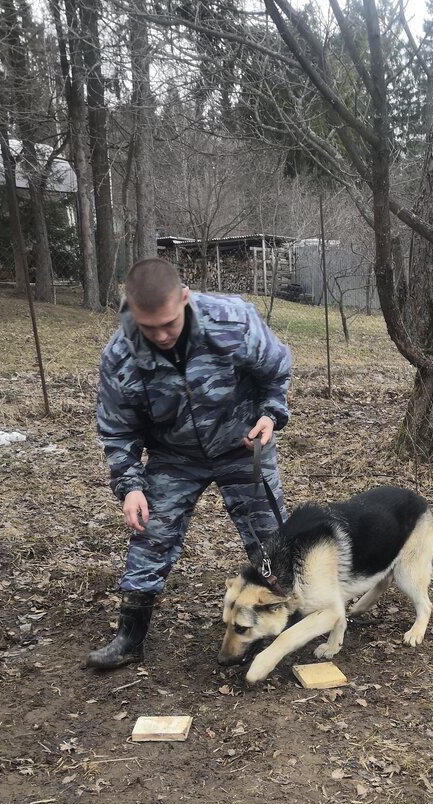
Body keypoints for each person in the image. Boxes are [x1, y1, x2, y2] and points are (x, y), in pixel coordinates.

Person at [87, 257, 292, 671]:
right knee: (152, 534)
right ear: (130, 309)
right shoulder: (119, 357)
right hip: (175, 455)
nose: (161, 335)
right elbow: (117, 430)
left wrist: (270, 414)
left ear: (184, 299)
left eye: (169, 323)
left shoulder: (232, 321)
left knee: (271, 540)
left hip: (241, 442)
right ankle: (130, 637)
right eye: (149, 328)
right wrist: (130, 487)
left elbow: (276, 370)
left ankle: (287, 630)